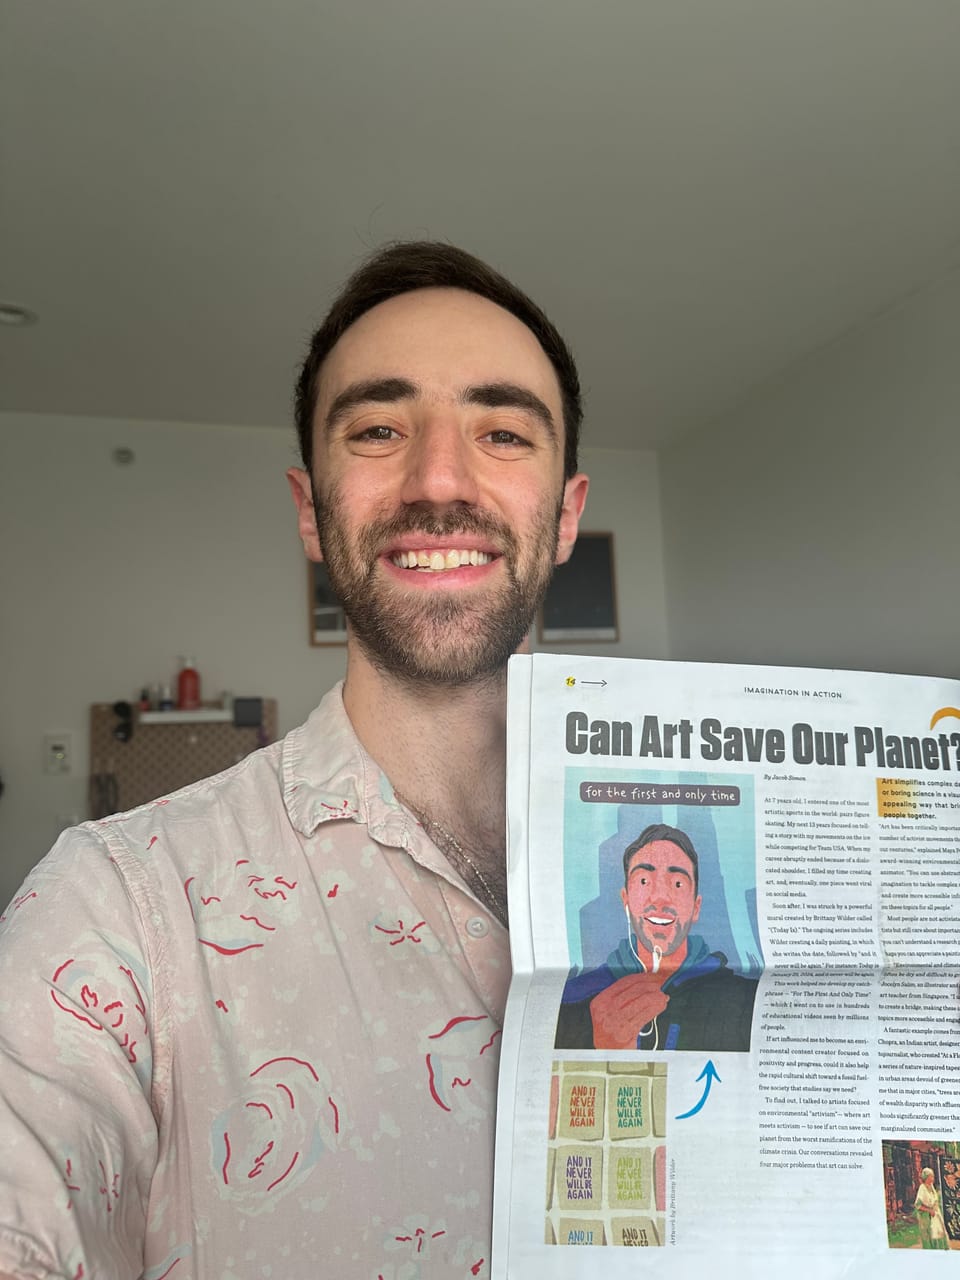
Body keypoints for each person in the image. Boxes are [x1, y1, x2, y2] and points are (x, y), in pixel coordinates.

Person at [0, 242, 589, 1279]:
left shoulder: (710, 857)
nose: (439, 478)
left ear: (568, 513)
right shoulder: (113, 905)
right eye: (377, 428)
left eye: (501, 431)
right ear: (312, 509)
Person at [555, 823, 758, 1051]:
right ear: (626, 900)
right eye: (644, 881)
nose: (660, 898)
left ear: (696, 907)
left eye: (677, 883)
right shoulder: (575, 1000)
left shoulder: (743, 1000)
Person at [915, 1168, 949, 1249]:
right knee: (930, 1237)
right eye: (931, 1176)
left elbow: (935, 1200)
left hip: (935, 1215)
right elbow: (918, 1205)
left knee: (939, 1234)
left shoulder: (931, 1186)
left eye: (933, 1176)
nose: (932, 1178)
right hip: (926, 1218)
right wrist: (929, 1210)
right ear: (926, 1177)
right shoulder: (922, 1188)